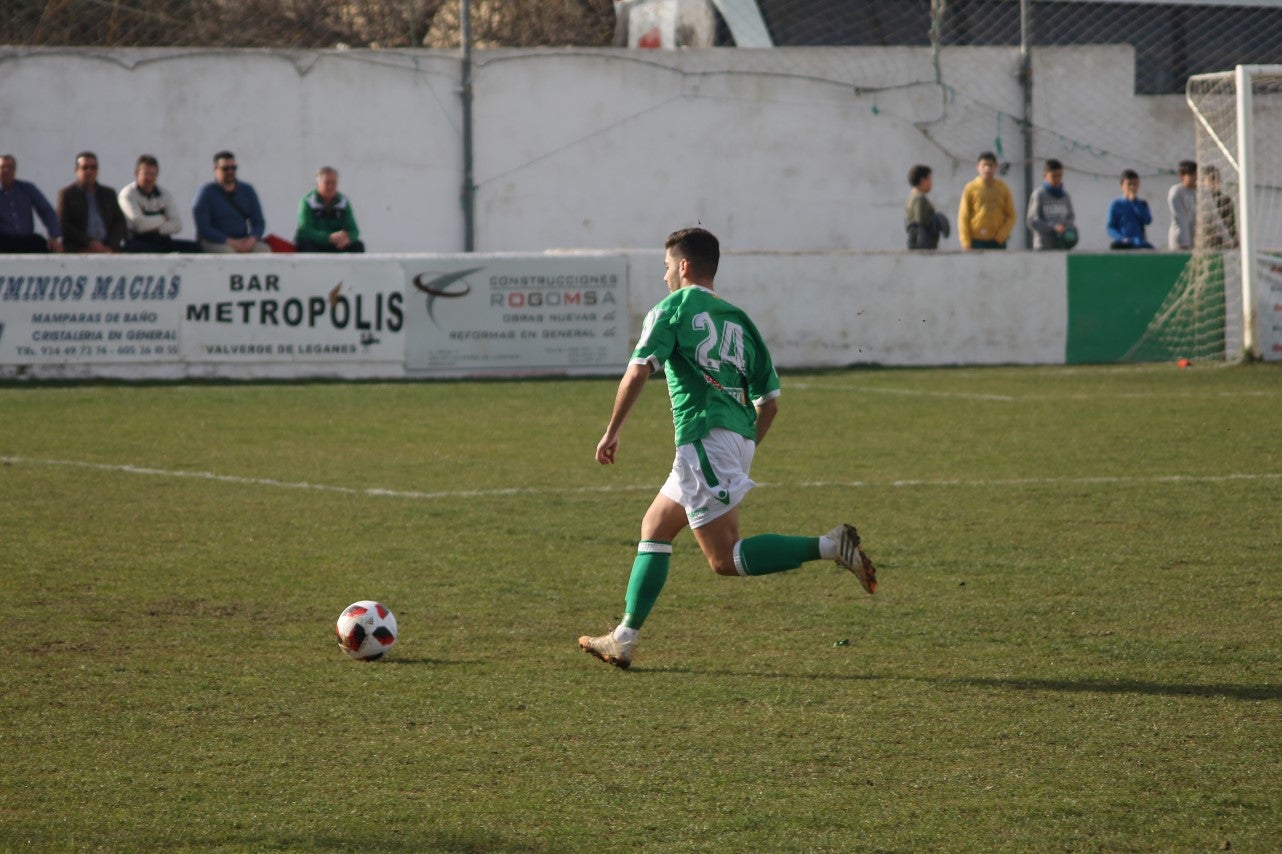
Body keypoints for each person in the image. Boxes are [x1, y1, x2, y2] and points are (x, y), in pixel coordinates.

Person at [576, 227, 877, 670]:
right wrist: (741, 446)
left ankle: (831, 546)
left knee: (724, 558)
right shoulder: (740, 320)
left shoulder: (671, 309)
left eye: (666, 267)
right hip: (733, 438)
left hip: (704, 438)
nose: (663, 276)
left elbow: (638, 370)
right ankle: (623, 638)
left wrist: (612, 431)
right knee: (655, 527)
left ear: (683, 266)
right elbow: (769, 403)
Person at [118, 154, 202, 253]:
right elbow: (139, 224)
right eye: (146, 174)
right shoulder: (128, 194)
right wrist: (163, 218)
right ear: (136, 174)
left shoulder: (164, 195)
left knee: (194, 248)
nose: (149, 178)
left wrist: (157, 229)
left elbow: (177, 225)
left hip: (161, 239)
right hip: (138, 240)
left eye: (153, 174)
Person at [192, 150, 269, 253]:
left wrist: (251, 239)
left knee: (263, 250)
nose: (230, 172)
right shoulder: (206, 192)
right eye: (225, 169)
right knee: (227, 253)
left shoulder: (247, 190)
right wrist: (230, 241)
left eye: (233, 168)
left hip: (243, 239)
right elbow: (204, 227)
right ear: (215, 170)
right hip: (215, 241)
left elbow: (259, 222)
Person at [57, 151, 127, 253]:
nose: (89, 171)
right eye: (85, 167)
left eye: (93, 168)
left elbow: (120, 222)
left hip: (108, 250)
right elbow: (63, 224)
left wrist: (109, 246)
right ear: (76, 170)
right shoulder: (67, 194)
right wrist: (89, 243)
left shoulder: (108, 194)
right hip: (79, 250)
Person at [0, 153, 63, 253]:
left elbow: (46, 210)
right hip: (4, 240)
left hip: (26, 239)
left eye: (10, 167)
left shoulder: (26, 188)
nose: (6, 170)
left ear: (15, 170)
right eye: (3, 167)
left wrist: (54, 236)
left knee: (46, 247)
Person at [295, 166, 365, 253]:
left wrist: (348, 238)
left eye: (334, 183)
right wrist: (328, 238)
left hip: (336, 244)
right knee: (305, 244)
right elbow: (305, 231)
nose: (331, 186)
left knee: (358, 246)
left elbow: (354, 230)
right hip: (316, 244)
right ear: (318, 183)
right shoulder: (307, 201)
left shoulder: (343, 202)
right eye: (327, 182)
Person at [958, 151, 1017, 250]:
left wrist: (1002, 235)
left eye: (990, 165)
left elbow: (1011, 216)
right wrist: (965, 241)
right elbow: (963, 217)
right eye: (984, 165)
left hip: (997, 241)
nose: (987, 169)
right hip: (976, 240)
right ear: (978, 167)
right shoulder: (971, 188)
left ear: (996, 167)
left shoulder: (1003, 188)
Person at [1026, 158, 1078, 251]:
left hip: (1063, 246)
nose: (1057, 179)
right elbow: (1032, 221)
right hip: (1043, 247)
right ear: (1045, 175)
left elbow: (1071, 217)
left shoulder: (1065, 196)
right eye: (1053, 176)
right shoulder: (1039, 194)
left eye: (1060, 176)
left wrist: (1065, 227)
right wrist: (1053, 227)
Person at [904, 164, 948, 250]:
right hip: (922, 244)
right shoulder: (919, 198)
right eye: (929, 179)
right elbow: (922, 220)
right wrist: (937, 220)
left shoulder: (911, 197)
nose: (931, 183)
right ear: (923, 181)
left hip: (915, 241)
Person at [1106, 169, 1154, 250]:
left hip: (1139, 243)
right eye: (1129, 184)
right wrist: (1122, 238)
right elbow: (1110, 228)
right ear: (1122, 186)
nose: (1132, 187)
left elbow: (1147, 221)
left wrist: (1135, 202)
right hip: (1124, 243)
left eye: (1135, 184)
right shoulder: (1116, 204)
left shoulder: (1142, 203)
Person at [1200, 164, 1238, 250]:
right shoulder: (1199, 199)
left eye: (1218, 179)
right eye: (1212, 179)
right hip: (1203, 243)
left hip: (1222, 243)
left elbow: (1230, 224)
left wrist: (1234, 240)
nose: (1215, 182)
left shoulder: (1225, 200)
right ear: (1203, 181)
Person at [1167, 160, 1197, 250]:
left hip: (1195, 238)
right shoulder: (1176, 192)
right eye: (1192, 175)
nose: (1195, 178)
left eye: (1196, 175)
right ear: (1182, 176)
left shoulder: (1200, 191)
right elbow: (1180, 217)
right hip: (1180, 239)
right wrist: (1185, 242)